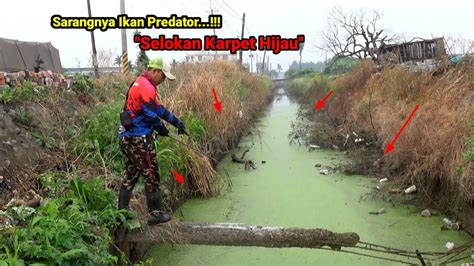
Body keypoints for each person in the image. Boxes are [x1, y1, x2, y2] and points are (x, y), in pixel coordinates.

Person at [117, 57, 188, 225]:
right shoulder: (147, 87)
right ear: (155, 71)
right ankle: (155, 214)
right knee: (152, 174)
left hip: (126, 137)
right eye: (163, 76)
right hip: (138, 138)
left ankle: (121, 213)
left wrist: (177, 122)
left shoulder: (140, 83)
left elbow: (159, 110)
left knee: (131, 174)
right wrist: (161, 129)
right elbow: (150, 115)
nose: (163, 80)